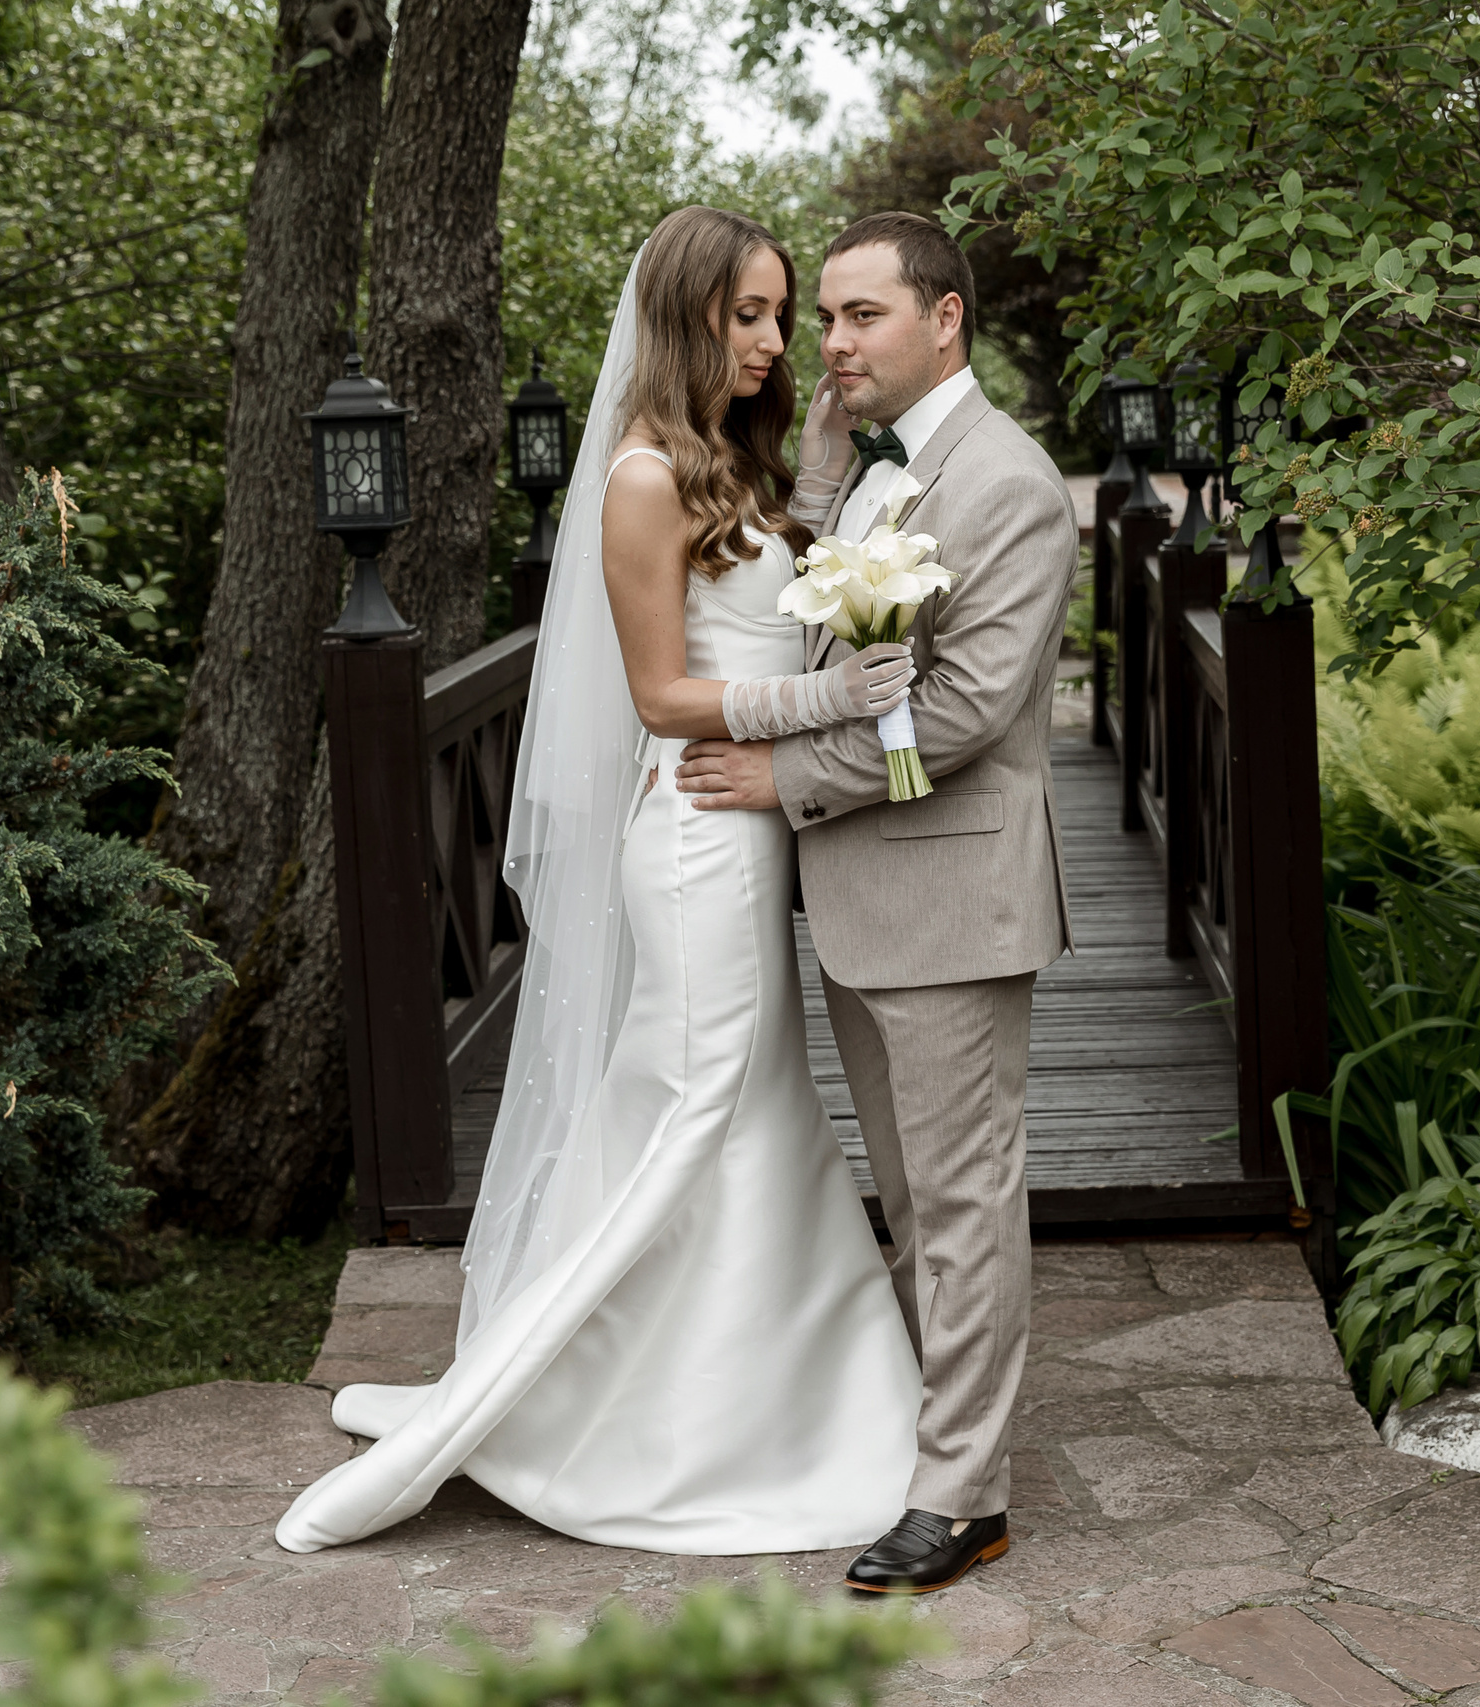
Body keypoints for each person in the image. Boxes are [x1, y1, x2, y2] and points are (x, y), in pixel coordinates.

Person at [272, 206, 925, 1556]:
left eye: (781, 314)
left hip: (747, 839)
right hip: (690, 840)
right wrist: (826, 696)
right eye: (745, 314)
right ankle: (513, 1420)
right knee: (695, 1116)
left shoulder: (736, 464)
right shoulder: (640, 477)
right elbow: (661, 693)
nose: (770, 338)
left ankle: (761, 1405)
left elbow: (760, 597)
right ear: (685, 314)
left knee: (750, 1115)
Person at [676, 211, 1081, 1593]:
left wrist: (779, 777)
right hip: (858, 898)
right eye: (824, 320)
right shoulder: (847, 461)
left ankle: (964, 1495)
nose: (828, 346)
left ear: (947, 318)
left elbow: (963, 712)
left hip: (951, 896)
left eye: (861, 318)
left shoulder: (1010, 486)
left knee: (961, 1203)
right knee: (912, 1200)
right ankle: (921, 1435)